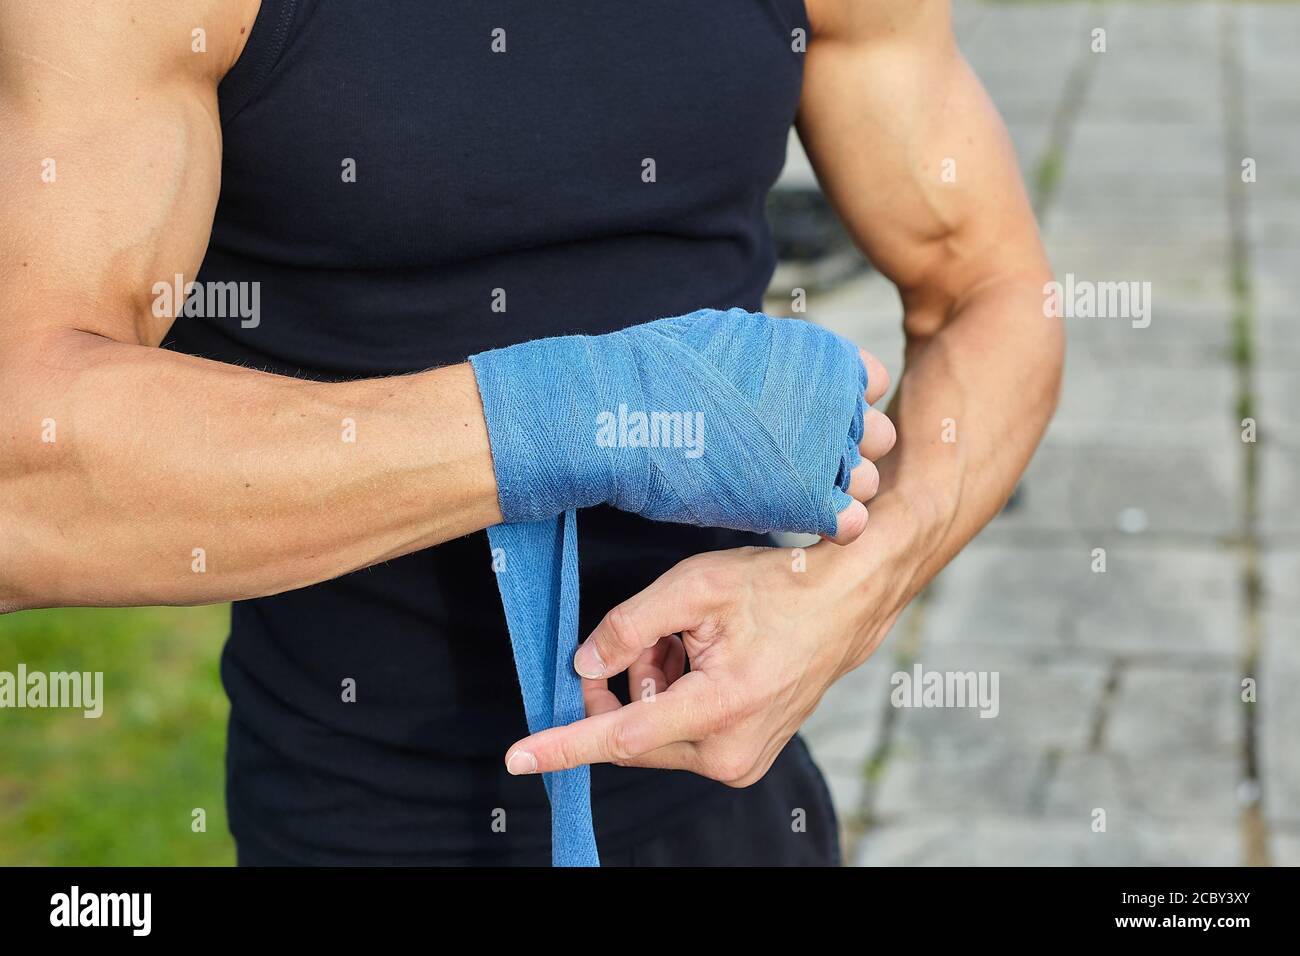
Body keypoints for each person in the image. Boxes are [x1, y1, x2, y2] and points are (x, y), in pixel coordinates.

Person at [0, 0, 1062, 865]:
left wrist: (849, 593)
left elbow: (995, 288)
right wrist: (590, 409)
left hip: (735, 808)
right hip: (363, 815)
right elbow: (23, 469)